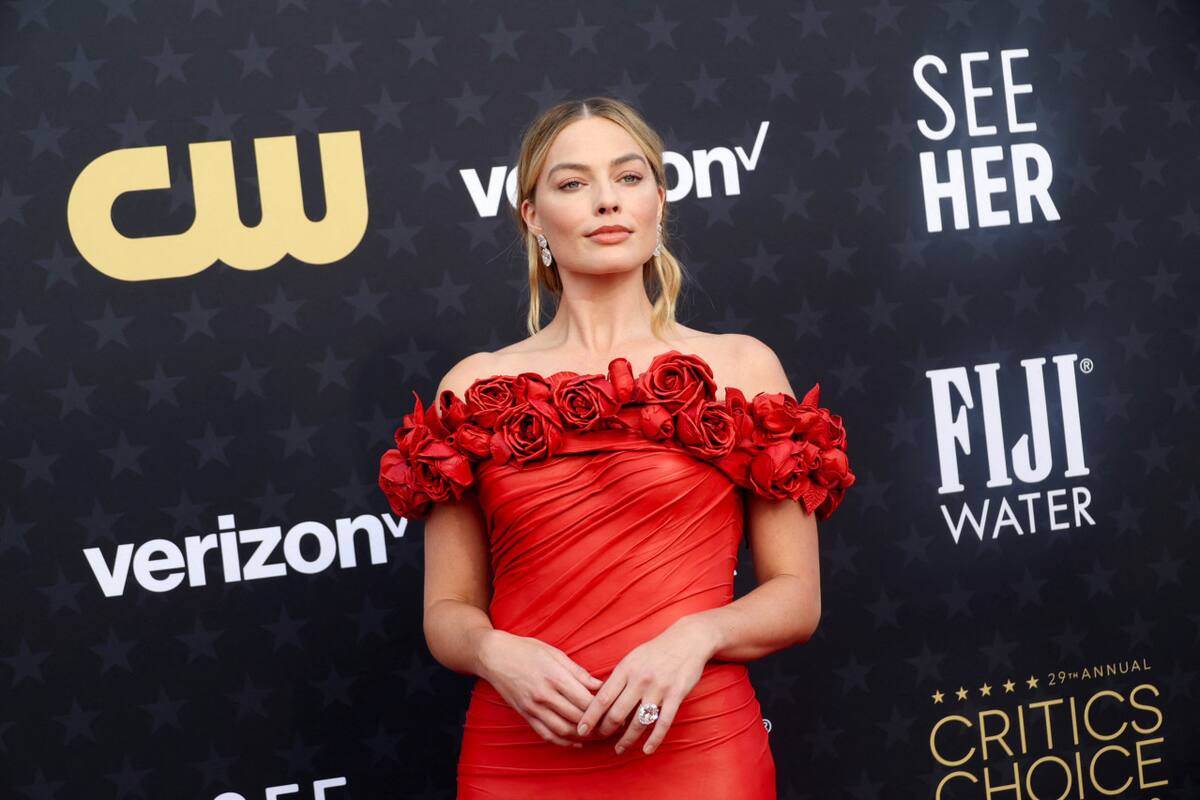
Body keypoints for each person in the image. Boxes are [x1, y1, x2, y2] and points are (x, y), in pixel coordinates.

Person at [378, 96, 856, 799]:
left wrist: (692, 639)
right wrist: (493, 651)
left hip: (695, 747)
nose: (607, 201)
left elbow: (796, 599)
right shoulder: (474, 387)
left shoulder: (741, 368)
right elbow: (447, 610)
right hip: (518, 754)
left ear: (659, 201)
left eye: (629, 178)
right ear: (532, 217)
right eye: (573, 184)